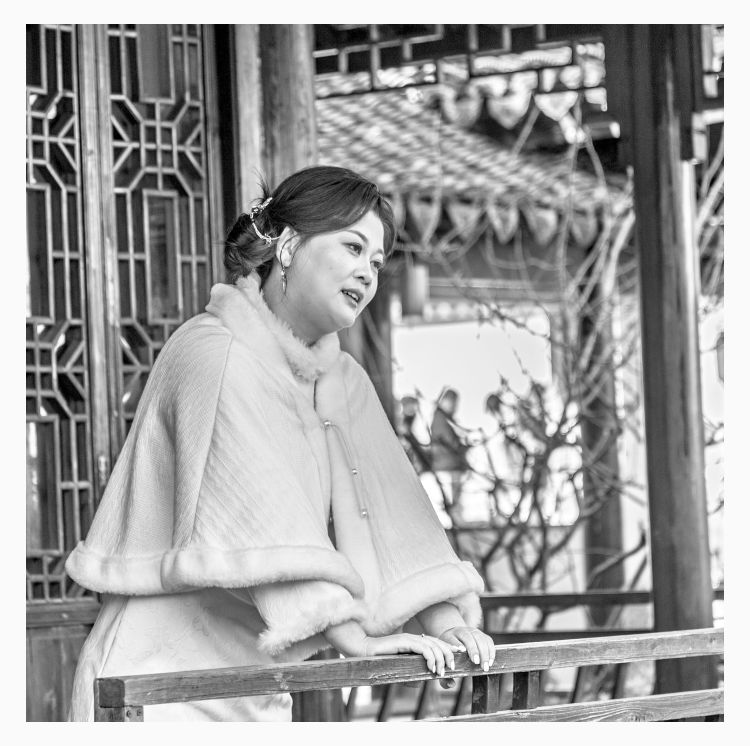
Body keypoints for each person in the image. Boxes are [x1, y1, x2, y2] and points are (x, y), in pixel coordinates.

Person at [65, 166, 492, 721]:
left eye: (377, 261)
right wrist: (354, 638)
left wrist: (447, 623)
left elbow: (396, 520)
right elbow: (262, 513)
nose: (367, 272)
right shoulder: (212, 351)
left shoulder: (342, 380)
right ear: (288, 246)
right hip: (154, 680)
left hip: (256, 687)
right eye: (353, 247)